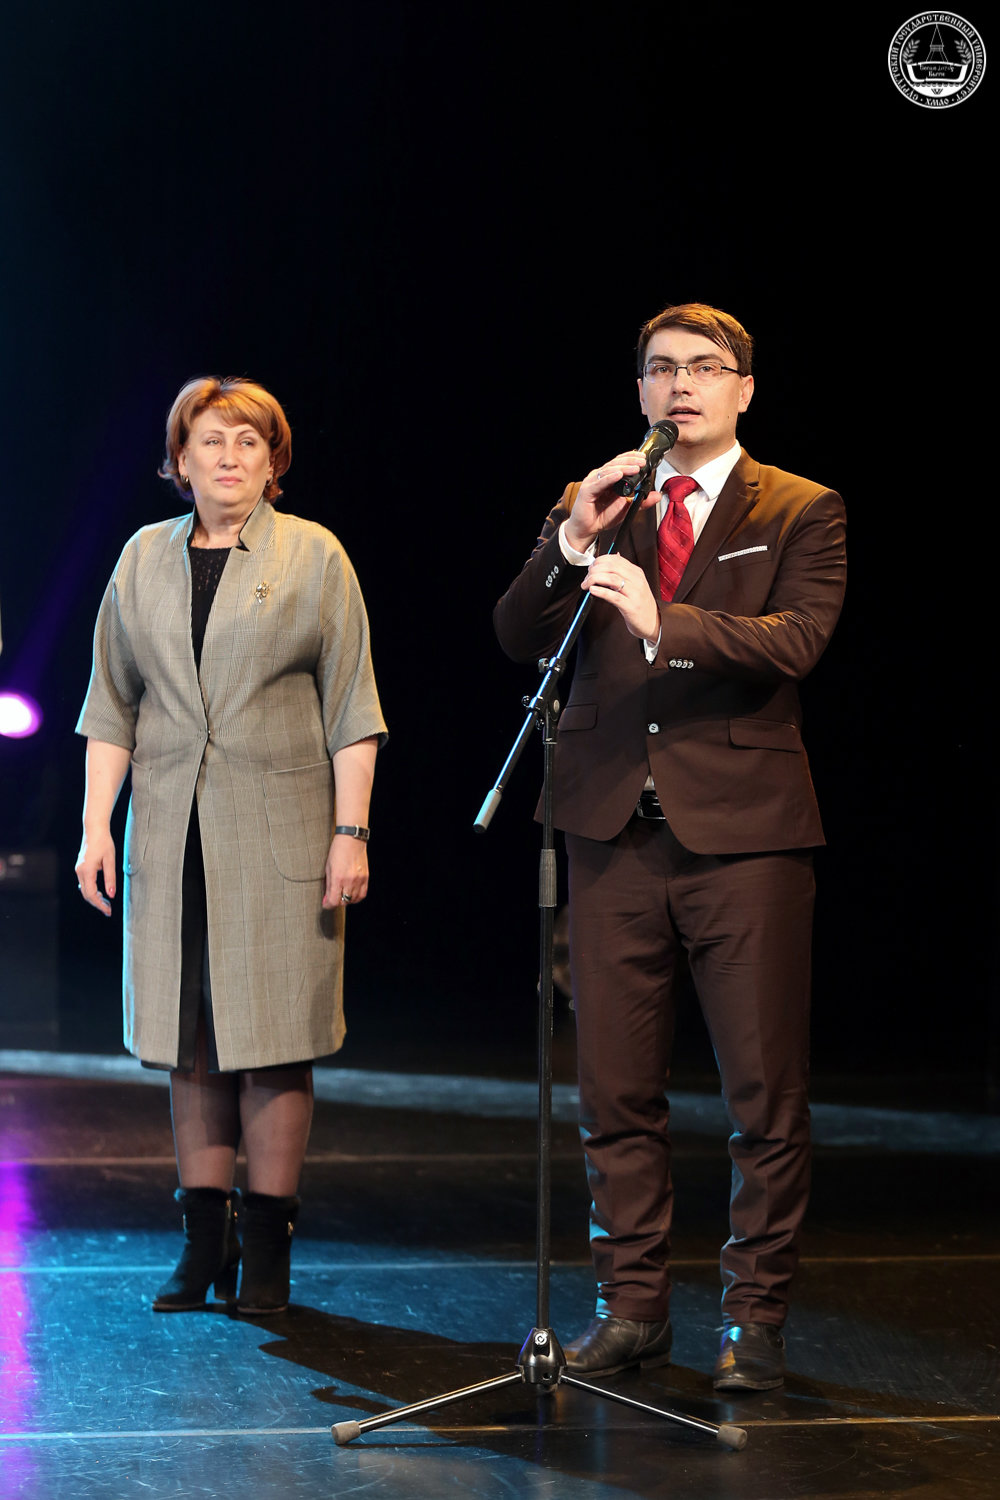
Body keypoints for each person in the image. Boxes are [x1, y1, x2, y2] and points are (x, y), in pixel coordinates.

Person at [493, 303, 846, 1391]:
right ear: (639, 390)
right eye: (659, 368)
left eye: (703, 366)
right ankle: (632, 1308)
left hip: (745, 838)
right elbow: (516, 632)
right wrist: (569, 541)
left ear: (744, 389)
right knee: (613, 1091)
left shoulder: (800, 506)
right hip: (608, 831)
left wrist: (662, 622)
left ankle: (754, 1321)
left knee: (762, 1095)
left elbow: (796, 641)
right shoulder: (601, 499)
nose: (680, 384)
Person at [76, 376, 386, 1315]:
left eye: (249, 442)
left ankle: (268, 1247)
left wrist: (351, 831)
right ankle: (203, 1240)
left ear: (273, 460)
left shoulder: (313, 555)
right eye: (211, 440)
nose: (229, 457)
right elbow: (111, 706)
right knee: (190, 1042)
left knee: (276, 1041)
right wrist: (95, 825)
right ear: (180, 458)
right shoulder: (142, 557)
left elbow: (353, 709)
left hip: (283, 836)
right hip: (170, 835)